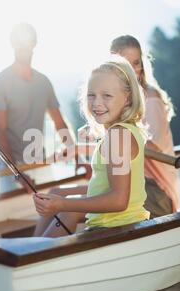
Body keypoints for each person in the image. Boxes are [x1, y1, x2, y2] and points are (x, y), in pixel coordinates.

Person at [33, 55, 150, 237]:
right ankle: (31, 249)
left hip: (115, 228)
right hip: (115, 223)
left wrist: (63, 204)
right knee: (61, 198)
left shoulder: (118, 136)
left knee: (67, 209)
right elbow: (103, 188)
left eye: (107, 96)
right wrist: (61, 194)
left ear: (127, 99)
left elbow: (119, 200)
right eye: (91, 95)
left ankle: (31, 255)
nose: (96, 103)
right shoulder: (121, 132)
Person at [0, 22, 76, 194]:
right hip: (9, 170)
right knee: (17, 220)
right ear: (12, 44)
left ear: (34, 43)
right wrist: (16, 173)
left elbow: (59, 123)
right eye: (19, 41)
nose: (23, 46)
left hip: (40, 162)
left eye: (27, 41)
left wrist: (78, 156)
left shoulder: (43, 82)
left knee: (50, 215)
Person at [110, 35, 179, 216]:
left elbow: (152, 148)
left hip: (155, 189)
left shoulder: (151, 98)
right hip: (126, 183)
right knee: (60, 198)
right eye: (126, 64)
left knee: (76, 206)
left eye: (137, 63)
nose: (133, 70)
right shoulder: (113, 101)